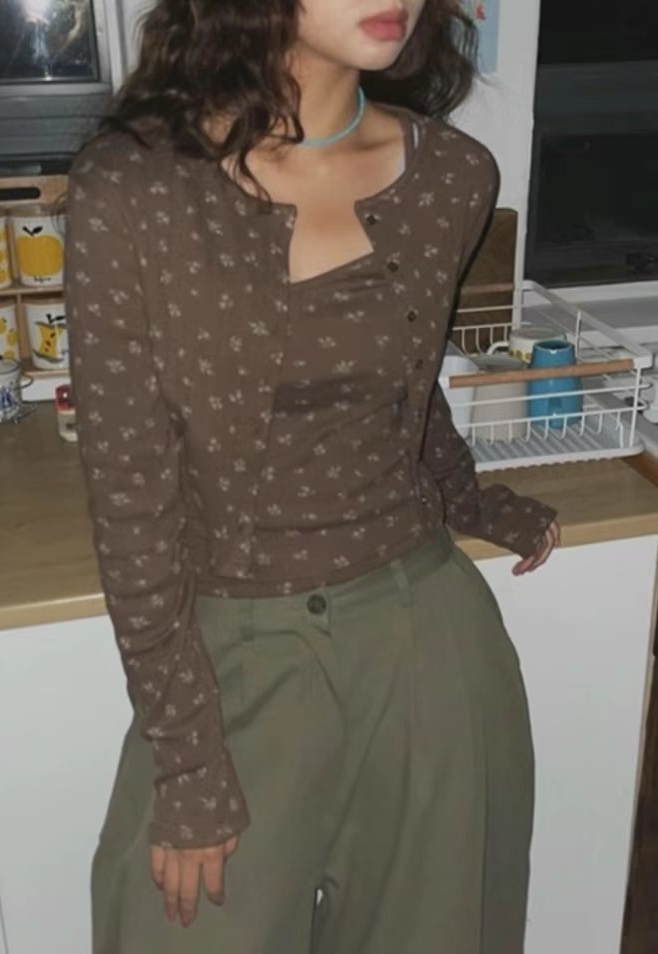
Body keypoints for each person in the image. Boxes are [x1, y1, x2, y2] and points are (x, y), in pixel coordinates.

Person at [64, 1, 560, 951]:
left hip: (424, 643)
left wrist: (469, 500)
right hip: (231, 648)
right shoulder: (134, 187)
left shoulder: (452, 174)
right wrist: (188, 762)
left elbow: (406, 377)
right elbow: (130, 496)